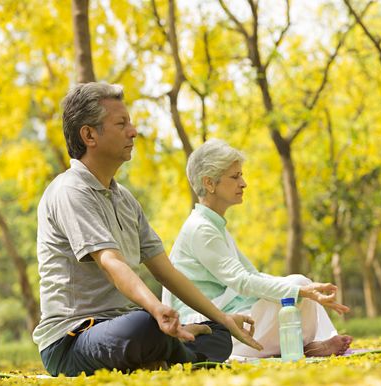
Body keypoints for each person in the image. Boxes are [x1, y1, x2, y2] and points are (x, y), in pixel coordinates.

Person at [33, 83, 262, 377]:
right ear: (89, 135)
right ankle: (167, 348)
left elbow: (166, 271)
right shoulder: (70, 191)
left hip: (119, 332)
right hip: (71, 341)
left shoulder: (124, 199)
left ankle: (165, 349)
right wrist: (156, 310)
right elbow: (111, 262)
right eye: (121, 123)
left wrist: (223, 319)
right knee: (143, 326)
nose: (133, 131)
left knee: (217, 332)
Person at [162, 139, 353, 358]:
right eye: (235, 177)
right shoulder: (201, 229)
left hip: (228, 317)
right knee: (298, 288)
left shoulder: (214, 226)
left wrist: (305, 288)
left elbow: (252, 274)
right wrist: (301, 290)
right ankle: (304, 345)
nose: (243, 183)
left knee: (298, 283)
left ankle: (307, 344)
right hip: (206, 329)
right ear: (209, 183)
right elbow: (242, 282)